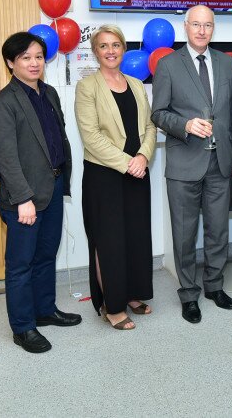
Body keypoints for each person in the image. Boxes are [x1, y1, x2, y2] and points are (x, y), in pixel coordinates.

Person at [0, 32, 80, 354]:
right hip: (24, 197)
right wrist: (23, 198)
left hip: (53, 187)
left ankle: (45, 310)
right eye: (26, 57)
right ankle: (23, 327)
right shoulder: (2, 103)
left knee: (45, 256)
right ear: (11, 63)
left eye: (39, 56)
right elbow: (6, 157)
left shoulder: (50, 93)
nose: (34, 62)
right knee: (20, 265)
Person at [151, 5, 232, 324]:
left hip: (220, 162)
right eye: (196, 25)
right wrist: (186, 125)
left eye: (208, 25)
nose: (202, 31)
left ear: (214, 28)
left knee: (218, 231)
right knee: (185, 234)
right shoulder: (168, 64)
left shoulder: (227, 63)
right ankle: (189, 294)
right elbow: (158, 113)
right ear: (186, 27)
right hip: (184, 163)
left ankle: (214, 286)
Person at [74, 25, 157, 330]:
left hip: (137, 170)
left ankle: (133, 293)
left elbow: (150, 127)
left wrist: (143, 157)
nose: (110, 51)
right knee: (108, 240)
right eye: (103, 46)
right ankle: (113, 304)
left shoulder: (137, 84)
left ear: (124, 49)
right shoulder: (87, 87)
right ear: (95, 52)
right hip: (104, 175)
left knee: (136, 235)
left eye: (116, 45)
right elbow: (91, 136)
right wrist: (127, 163)